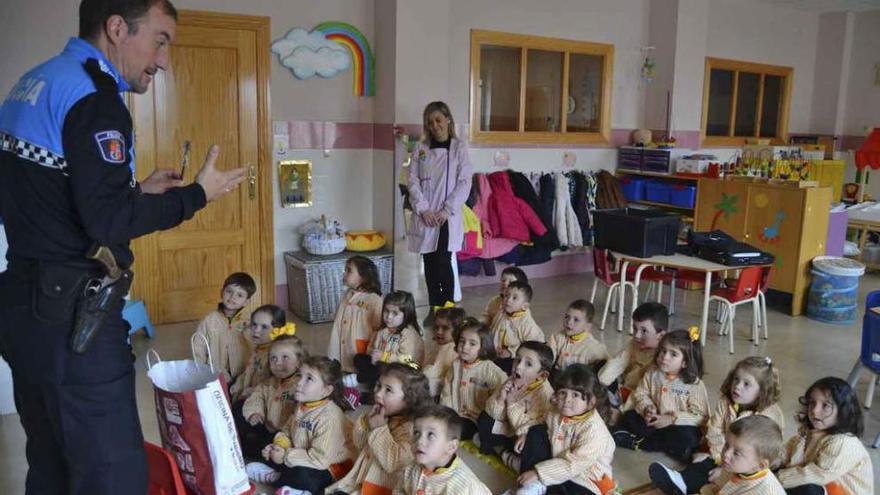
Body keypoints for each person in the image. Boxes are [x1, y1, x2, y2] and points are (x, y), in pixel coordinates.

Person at [0, 1, 246, 492]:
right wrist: (198, 195)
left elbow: (58, 198)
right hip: (74, 321)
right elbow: (109, 222)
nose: (163, 60)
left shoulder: (35, 82)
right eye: (159, 40)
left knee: (50, 463)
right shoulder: (95, 97)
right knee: (112, 473)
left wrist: (137, 191)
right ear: (116, 28)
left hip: (23, 304)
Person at [650, 356, 785, 495]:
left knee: (710, 470)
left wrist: (723, 467)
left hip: (748, 462)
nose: (737, 386)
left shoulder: (767, 417)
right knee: (704, 462)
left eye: (746, 384)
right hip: (725, 452)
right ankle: (681, 481)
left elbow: (766, 451)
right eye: (736, 379)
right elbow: (714, 429)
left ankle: (685, 483)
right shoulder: (726, 401)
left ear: (762, 391)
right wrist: (717, 457)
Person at [406, 101, 473, 326]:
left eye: (438, 120)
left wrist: (446, 210)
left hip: (446, 217)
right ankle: (435, 308)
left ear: (448, 120)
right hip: (426, 216)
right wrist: (424, 209)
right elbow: (412, 181)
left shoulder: (458, 148)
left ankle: (449, 311)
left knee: (444, 263)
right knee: (430, 265)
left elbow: (464, 182)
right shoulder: (421, 149)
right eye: (430, 122)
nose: (434, 126)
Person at [247, 356, 354, 495]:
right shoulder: (303, 405)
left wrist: (285, 456)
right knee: (265, 443)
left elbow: (320, 459)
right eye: (299, 376)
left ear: (326, 391)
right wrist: (279, 446)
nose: (298, 383)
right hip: (303, 453)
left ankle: (277, 479)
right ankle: (287, 482)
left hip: (329, 467)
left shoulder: (330, 417)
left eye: (309, 379)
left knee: (303, 476)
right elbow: (287, 430)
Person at [511, 364, 617, 495]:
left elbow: (574, 465)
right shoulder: (556, 412)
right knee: (536, 431)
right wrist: (525, 432)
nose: (567, 400)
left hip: (584, 478)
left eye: (575, 395)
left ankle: (539, 481)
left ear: (591, 402)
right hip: (555, 464)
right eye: (563, 393)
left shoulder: (594, 431)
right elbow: (541, 420)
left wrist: (538, 473)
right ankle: (535, 486)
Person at [327, 363, 431, 495]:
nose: (378, 393)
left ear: (409, 400)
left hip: (380, 489)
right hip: (361, 481)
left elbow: (394, 463)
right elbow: (360, 444)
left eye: (388, 390)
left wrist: (378, 429)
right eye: (378, 386)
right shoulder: (382, 416)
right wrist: (366, 423)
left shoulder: (413, 430)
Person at [613, 328, 710, 463]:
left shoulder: (694, 384)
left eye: (673, 354)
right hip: (654, 421)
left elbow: (701, 416)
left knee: (688, 437)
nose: (665, 357)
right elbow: (641, 393)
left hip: (677, 426)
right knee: (630, 416)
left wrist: (672, 419)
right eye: (663, 351)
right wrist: (647, 408)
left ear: (685, 362)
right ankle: (666, 447)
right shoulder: (653, 373)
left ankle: (641, 443)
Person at [777, 377, 873, 495]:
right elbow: (787, 452)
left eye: (825, 405)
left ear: (843, 411)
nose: (815, 411)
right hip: (826, 488)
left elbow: (818, 475)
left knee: (807, 489)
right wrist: (770, 462)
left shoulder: (844, 442)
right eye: (812, 403)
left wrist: (775, 479)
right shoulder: (811, 432)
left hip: (840, 491)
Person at [478, 341, 555, 473]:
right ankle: (502, 451)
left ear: (542, 375)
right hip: (510, 430)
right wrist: (501, 399)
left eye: (528, 364)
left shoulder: (544, 394)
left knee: (534, 447)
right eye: (517, 359)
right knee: (484, 419)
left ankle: (504, 454)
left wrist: (512, 403)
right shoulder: (511, 380)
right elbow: (492, 413)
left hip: (524, 436)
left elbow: (533, 427)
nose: (518, 366)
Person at [394, 404, 493, 495]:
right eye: (416, 432)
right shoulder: (411, 468)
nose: (419, 440)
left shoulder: (465, 488)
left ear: (451, 447)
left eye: (430, 435)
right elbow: (400, 490)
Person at [238, 335, 305, 460]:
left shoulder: (300, 385)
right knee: (239, 408)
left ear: (298, 362)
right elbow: (256, 398)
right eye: (273, 358)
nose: (278, 362)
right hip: (268, 429)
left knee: (267, 451)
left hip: (288, 437)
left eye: (285, 357)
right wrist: (255, 413)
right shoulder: (269, 383)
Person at [439, 317, 507, 441]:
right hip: (455, 413)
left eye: (472, 343)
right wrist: (446, 411)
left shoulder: (491, 371)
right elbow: (446, 391)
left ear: (483, 347)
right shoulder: (455, 365)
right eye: (462, 341)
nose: (464, 347)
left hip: (475, 420)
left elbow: (499, 398)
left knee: (451, 431)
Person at [349, 291, 424, 398]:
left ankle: (361, 384)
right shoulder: (383, 330)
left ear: (406, 315)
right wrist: (372, 354)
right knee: (359, 358)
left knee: (378, 373)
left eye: (395, 313)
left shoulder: (408, 334)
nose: (388, 316)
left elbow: (409, 361)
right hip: (384, 364)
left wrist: (384, 356)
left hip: (404, 371)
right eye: (386, 311)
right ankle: (373, 382)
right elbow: (371, 347)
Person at [598, 302, 668, 409]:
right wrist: (599, 385)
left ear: (661, 335)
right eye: (635, 328)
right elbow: (617, 363)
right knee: (601, 364)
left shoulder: (664, 357)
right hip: (623, 387)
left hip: (639, 397)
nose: (637, 335)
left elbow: (647, 390)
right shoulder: (634, 343)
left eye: (644, 331)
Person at [192, 271, 256, 383]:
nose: (232, 297)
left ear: (246, 302)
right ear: (222, 292)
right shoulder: (209, 320)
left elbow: (259, 345)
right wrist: (201, 369)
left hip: (244, 373)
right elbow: (198, 345)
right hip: (217, 373)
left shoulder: (249, 321)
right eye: (229, 291)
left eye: (239, 295)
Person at [699, 416, 786, 495]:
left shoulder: (760, 491)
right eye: (727, 445)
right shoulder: (739, 467)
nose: (726, 454)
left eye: (736, 453)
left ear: (760, 465)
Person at [327, 255, 383, 372]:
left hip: (358, 351)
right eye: (345, 270)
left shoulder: (374, 300)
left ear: (363, 276)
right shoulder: (348, 294)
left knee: (356, 374)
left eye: (349, 270)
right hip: (341, 349)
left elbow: (379, 328)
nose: (344, 274)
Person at [231, 304, 292, 402]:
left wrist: (252, 391)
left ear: (278, 331)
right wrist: (237, 386)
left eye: (264, 327)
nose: (256, 331)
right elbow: (248, 371)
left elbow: (276, 386)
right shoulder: (259, 346)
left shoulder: (276, 355)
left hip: (259, 401)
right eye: (254, 324)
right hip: (247, 389)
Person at [490, 281, 545, 374]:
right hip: (496, 352)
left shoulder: (526, 323)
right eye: (506, 295)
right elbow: (494, 328)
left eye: (514, 298)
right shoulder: (502, 312)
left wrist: (511, 352)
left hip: (513, 357)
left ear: (525, 306)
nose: (508, 300)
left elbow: (531, 344)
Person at [547, 300, 608, 379]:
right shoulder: (557, 337)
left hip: (578, 382)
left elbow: (607, 366)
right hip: (558, 376)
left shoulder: (593, 347)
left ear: (587, 326)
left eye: (576, 320)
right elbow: (548, 358)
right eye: (567, 317)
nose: (569, 322)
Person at [423, 306, 465, 397]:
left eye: (445, 328)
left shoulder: (452, 349)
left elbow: (432, 374)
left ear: (456, 330)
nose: (439, 331)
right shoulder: (438, 345)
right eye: (436, 327)